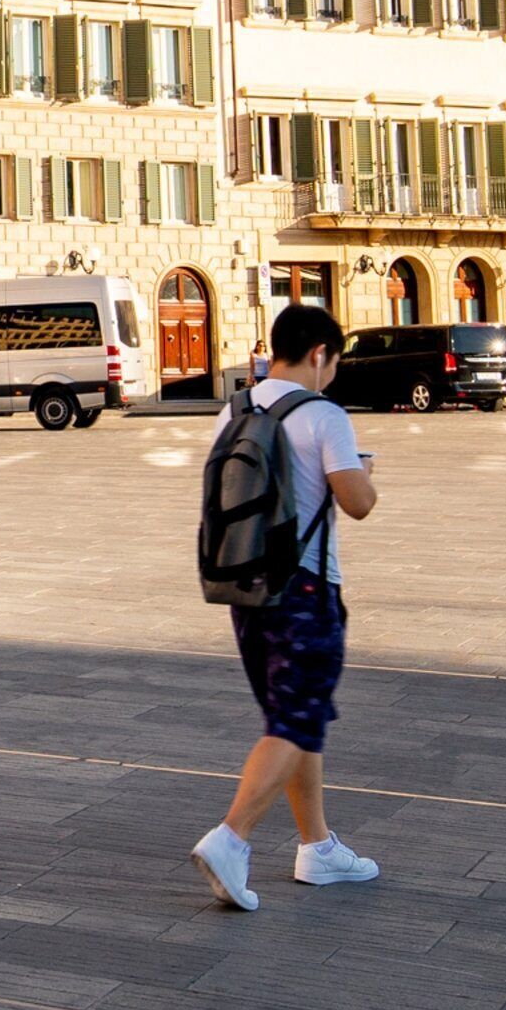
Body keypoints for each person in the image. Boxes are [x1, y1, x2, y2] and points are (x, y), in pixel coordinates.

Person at [193, 302, 381, 910]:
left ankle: (317, 847)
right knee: (296, 720)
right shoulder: (324, 414)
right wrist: (366, 470)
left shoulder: (237, 407)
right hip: (305, 587)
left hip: (247, 586)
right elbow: (357, 503)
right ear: (321, 354)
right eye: (334, 362)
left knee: (298, 716)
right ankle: (231, 838)